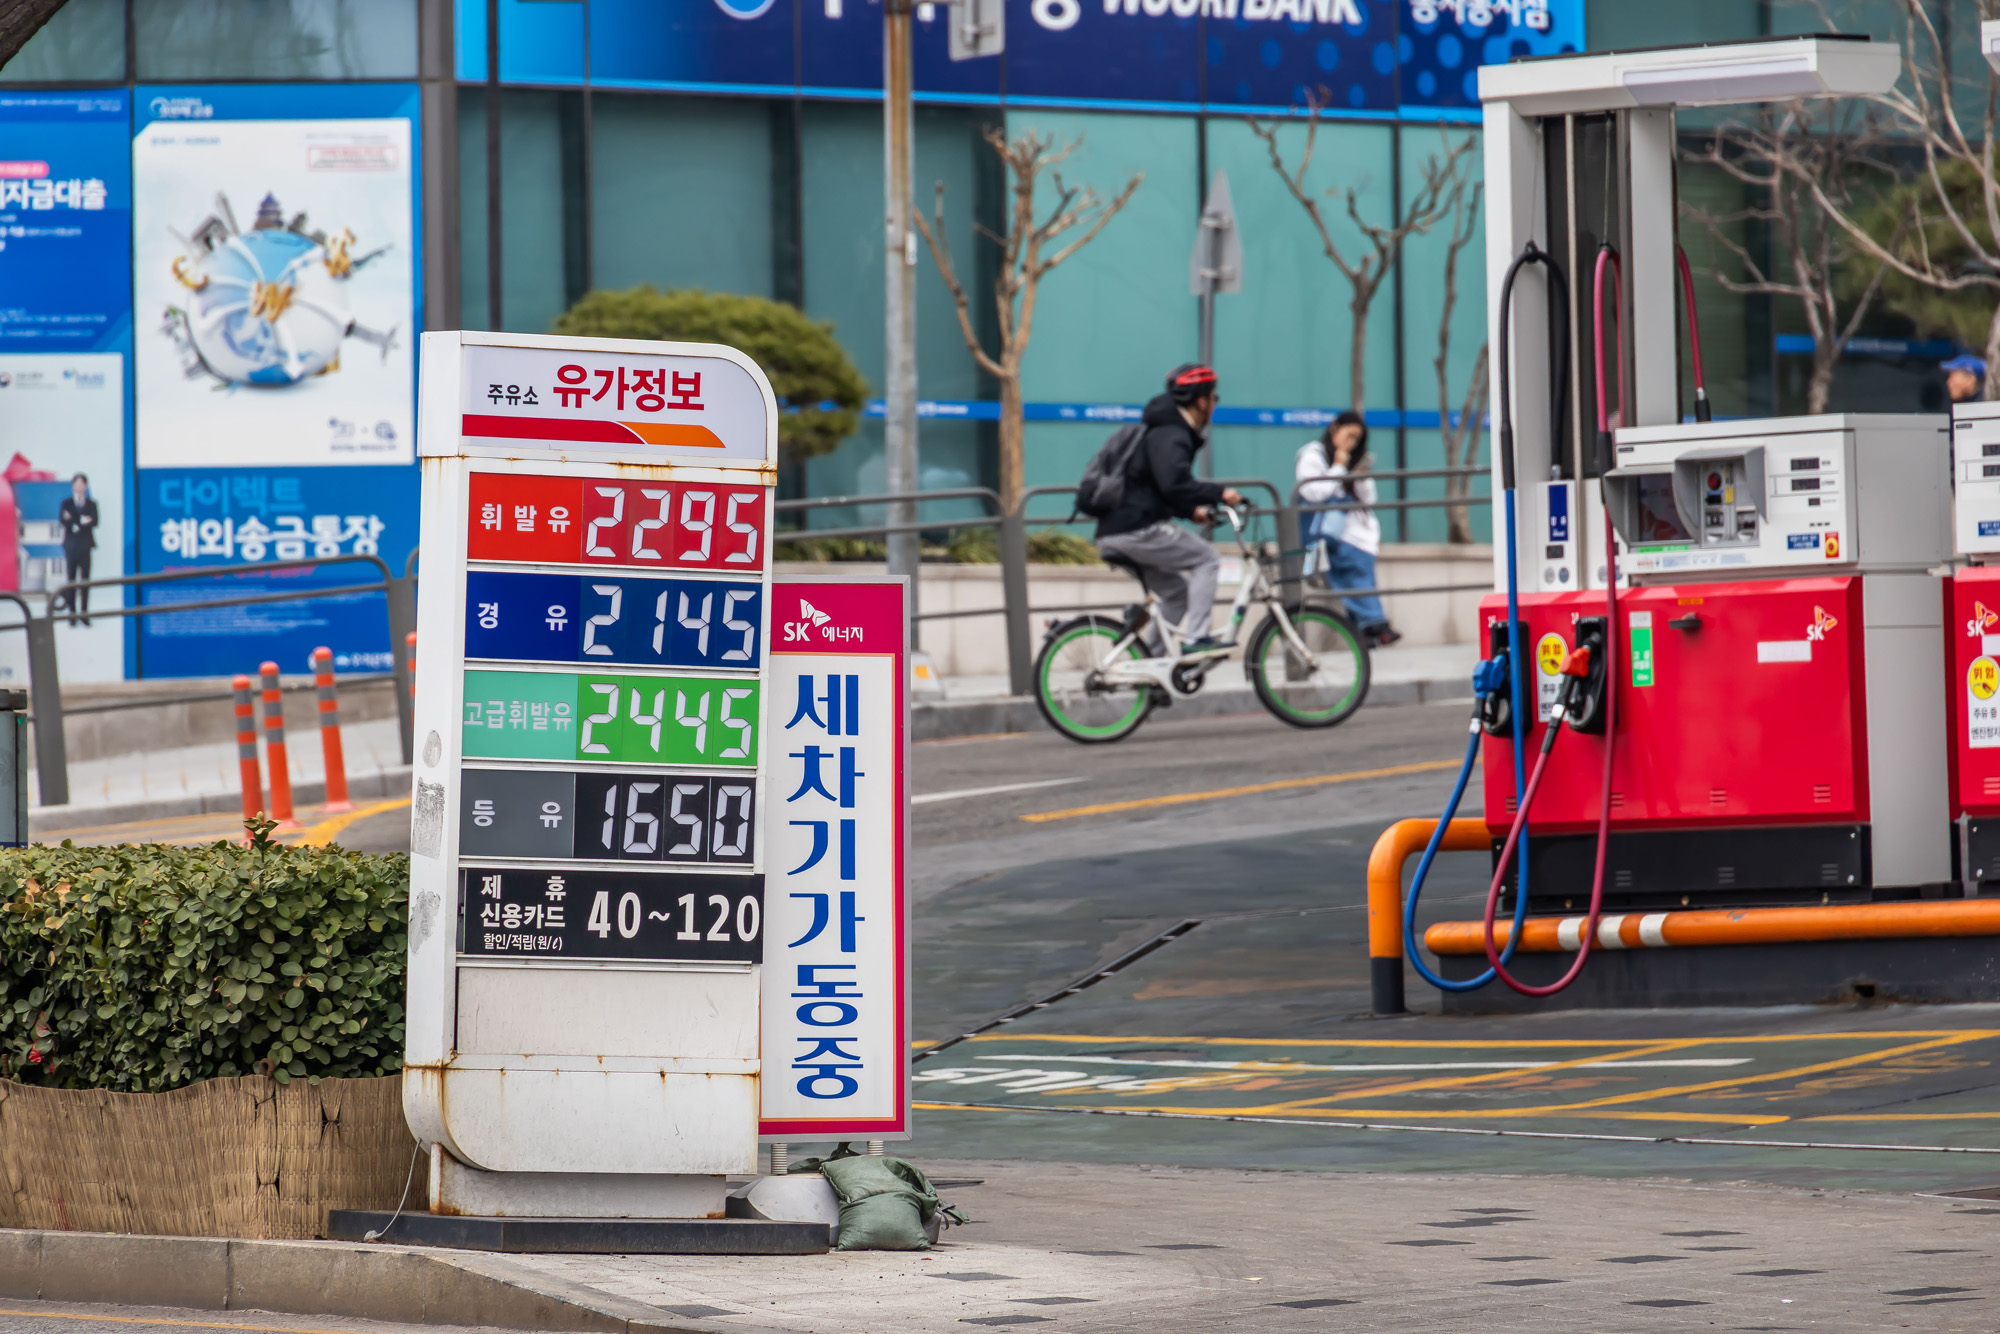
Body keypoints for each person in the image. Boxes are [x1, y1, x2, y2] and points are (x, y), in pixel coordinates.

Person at [1095, 363, 1243, 655]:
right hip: (1136, 529)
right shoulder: (1172, 433)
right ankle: (1197, 639)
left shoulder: (1163, 429)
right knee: (1208, 559)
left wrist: (1191, 511)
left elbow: (1158, 487)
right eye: (1214, 398)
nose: (1214, 405)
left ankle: (1151, 663)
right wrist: (1220, 493)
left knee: (1177, 593)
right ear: (1202, 402)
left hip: (1116, 530)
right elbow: (1173, 483)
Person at [1297, 410, 1401, 648]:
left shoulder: (1354, 458)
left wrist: (1361, 476)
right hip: (1333, 535)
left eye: (1356, 438)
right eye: (1349, 435)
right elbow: (1313, 492)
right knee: (1355, 579)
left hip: (1358, 535)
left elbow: (1369, 499)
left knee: (1355, 581)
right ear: (1334, 428)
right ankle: (1376, 625)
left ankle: (1364, 634)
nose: (1351, 443)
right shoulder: (1312, 455)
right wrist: (1338, 466)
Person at [57, 472, 98, 627]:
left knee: (85, 580)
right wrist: (82, 521)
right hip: (71, 546)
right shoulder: (66, 503)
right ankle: (72, 613)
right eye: (77, 483)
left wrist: (75, 521)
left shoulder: (91, 504)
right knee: (71, 580)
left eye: (82, 484)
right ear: (73, 486)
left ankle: (84, 613)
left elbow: (95, 521)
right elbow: (63, 520)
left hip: (85, 546)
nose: (79, 486)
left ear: (86, 486)